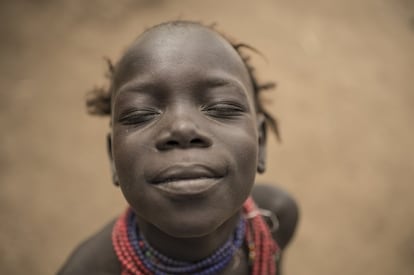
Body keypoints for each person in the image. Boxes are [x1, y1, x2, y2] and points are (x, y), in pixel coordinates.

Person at [58, 20, 299, 275]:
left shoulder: (276, 218)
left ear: (260, 142)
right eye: (141, 113)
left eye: (222, 108)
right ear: (112, 159)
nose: (182, 128)